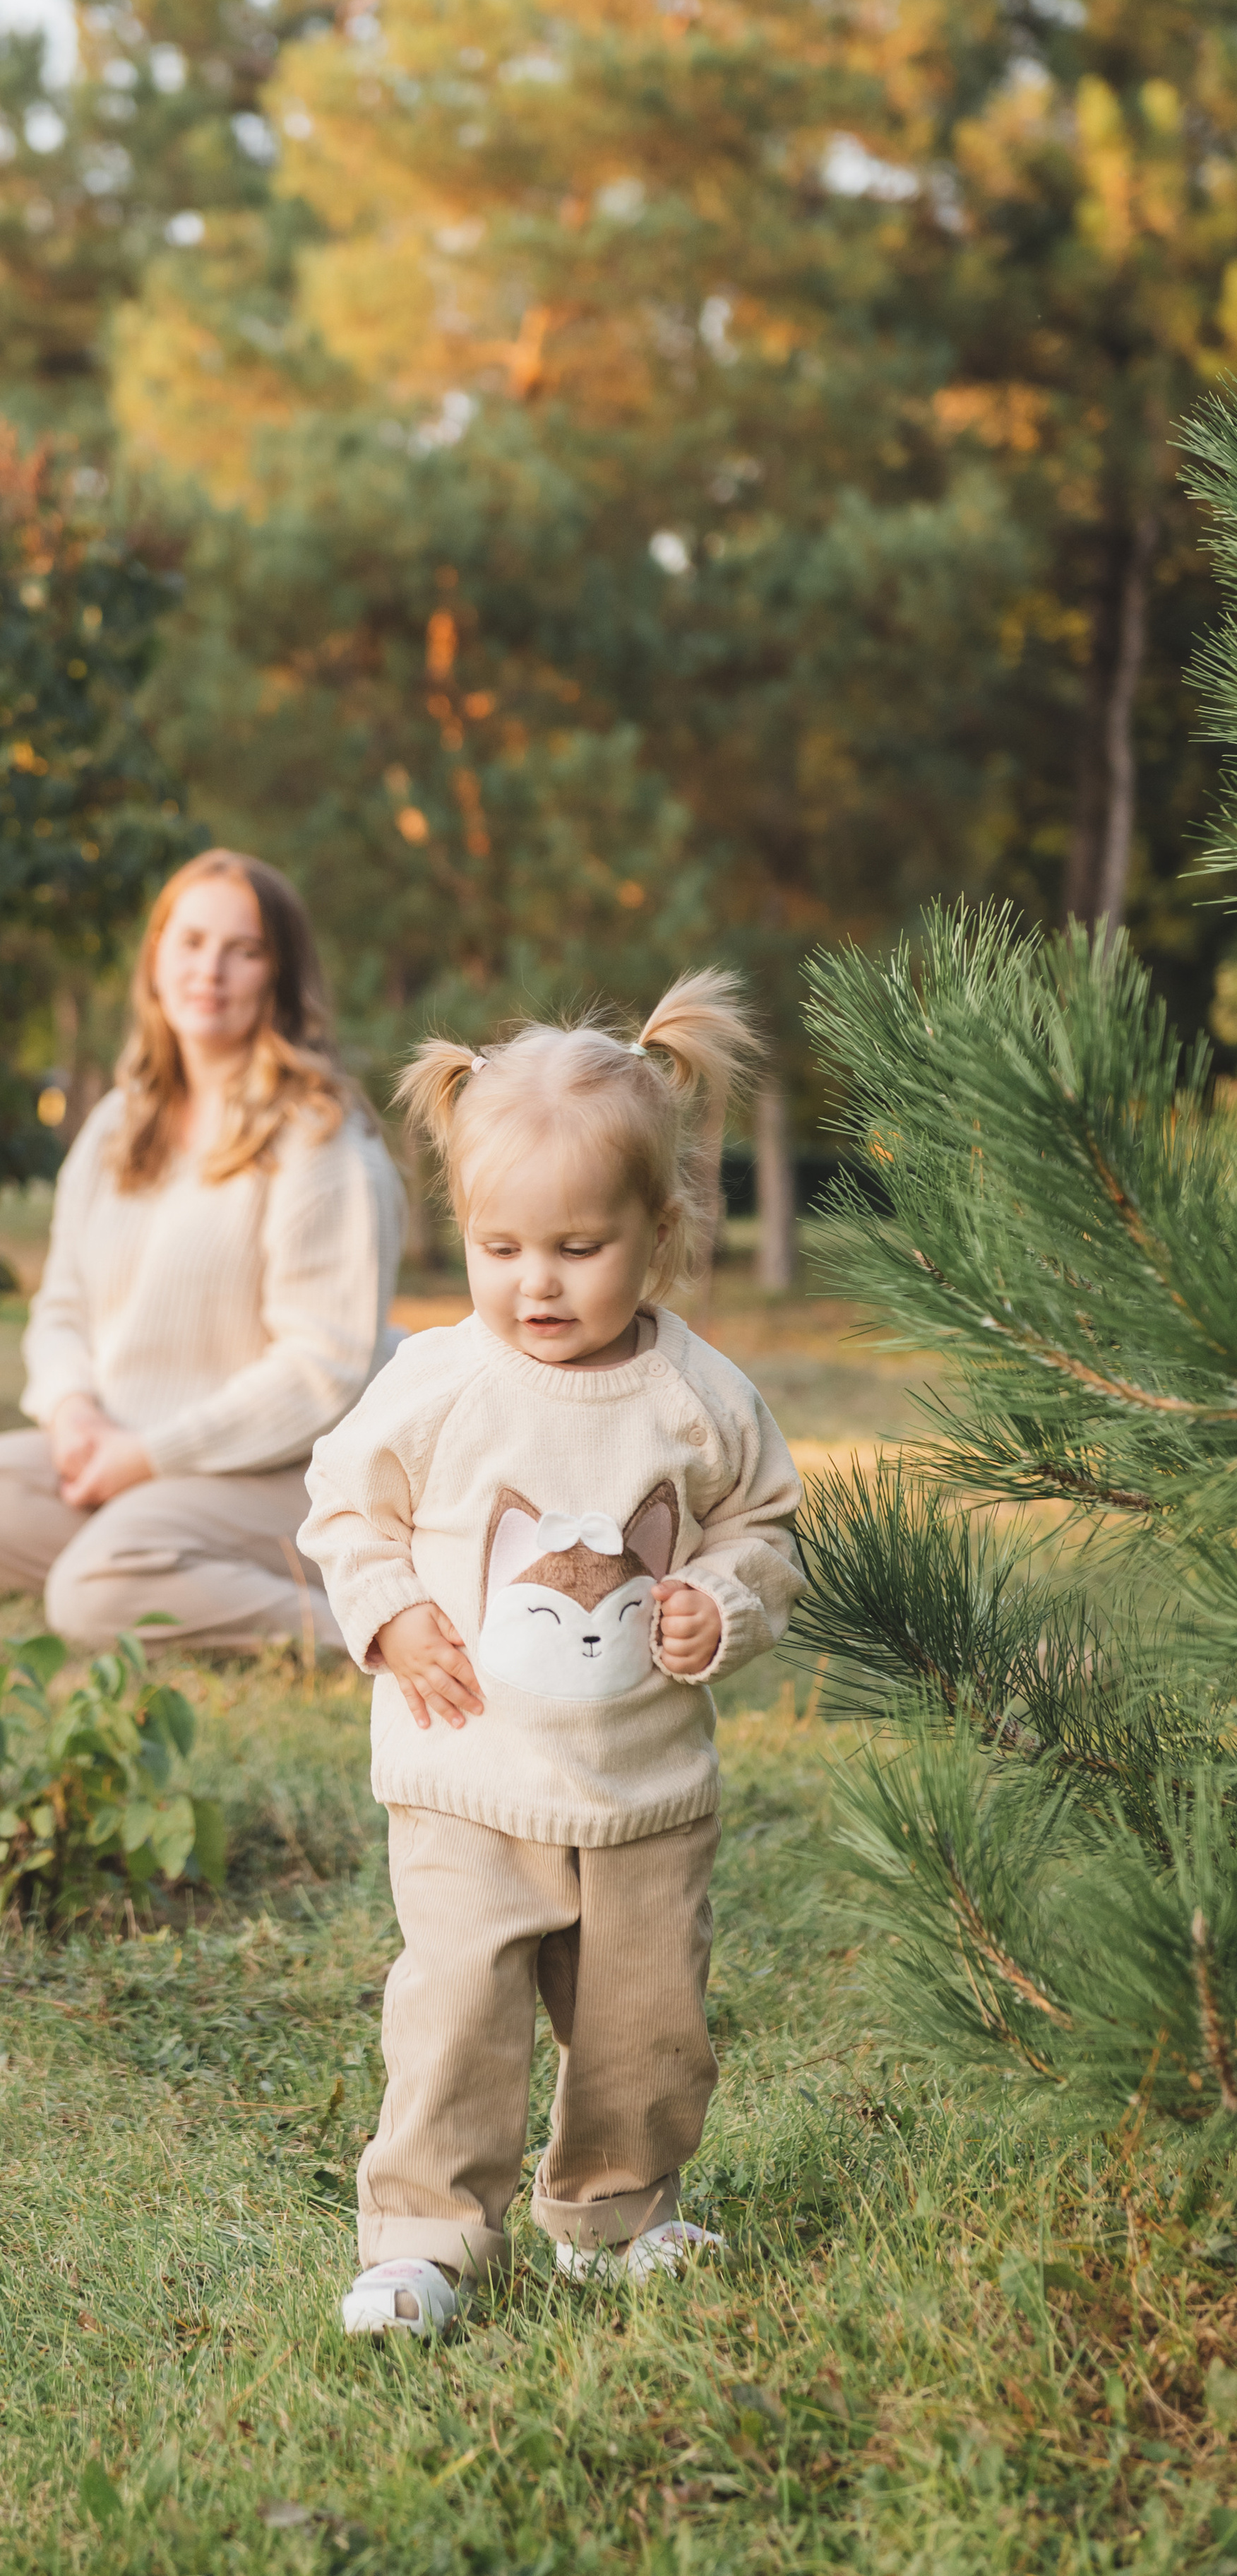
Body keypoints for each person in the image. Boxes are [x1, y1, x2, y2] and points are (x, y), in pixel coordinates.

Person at [297, 980, 806, 2337]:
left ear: (661, 1230)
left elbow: (767, 1525)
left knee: (647, 2022)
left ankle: (616, 2212)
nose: (537, 1281)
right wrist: (393, 1607)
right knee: (457, 2007)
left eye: (580, 1245)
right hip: (468, 1778)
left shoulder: (696, 1397)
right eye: (503, 1243)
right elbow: (346, 1499)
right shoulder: (440, 1379)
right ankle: (423, 2234)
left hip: (642, 1790)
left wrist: (719, 1597)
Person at [0, 850, 403, 1653]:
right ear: (155, 959)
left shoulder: (324, 1144)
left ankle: (378, 1632)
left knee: (89, 1591)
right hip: (127, 1451)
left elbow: (322, 1369)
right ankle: (158, 1564)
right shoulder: (118, 1123)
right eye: (189, 942)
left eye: (243, 951)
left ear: (280, 978)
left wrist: (148, 1459)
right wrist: (72, 1410)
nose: (208, 970)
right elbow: (62, 1307)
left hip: (285, 1472)